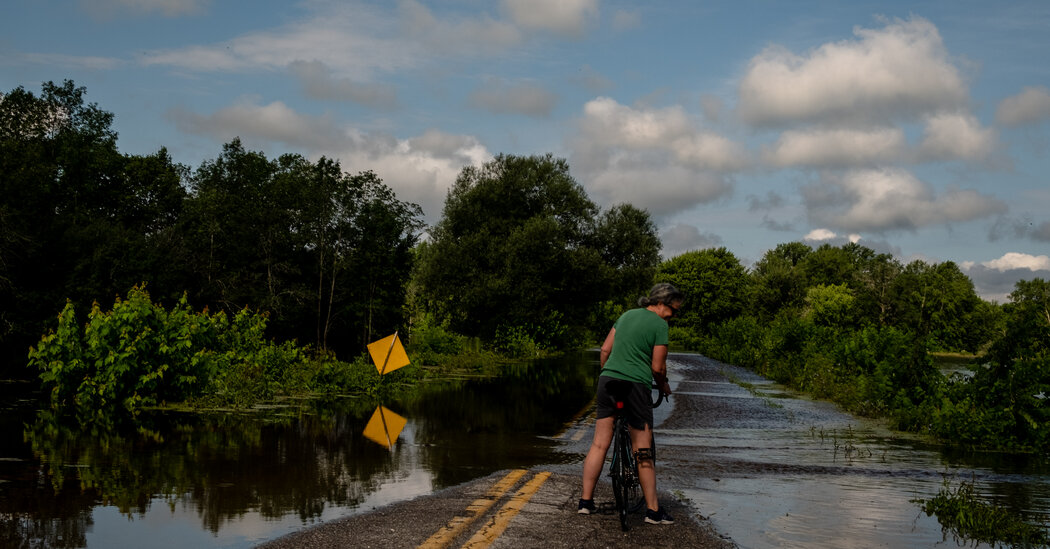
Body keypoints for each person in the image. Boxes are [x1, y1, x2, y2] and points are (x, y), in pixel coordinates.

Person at [578, 282, 683, 525]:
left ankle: (585, 502)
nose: (674, 315)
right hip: (636, 386)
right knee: (642, 449)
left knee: (599, 443)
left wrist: (609, 377)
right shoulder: (660, 325)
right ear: (660, 304)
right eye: (674, 310)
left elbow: (605, 350)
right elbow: (657, 367)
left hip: (608, 380)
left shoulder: (625, 315)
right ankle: (653, 511)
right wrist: (664, 384)